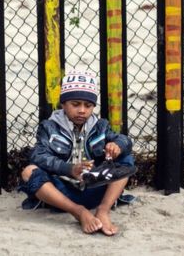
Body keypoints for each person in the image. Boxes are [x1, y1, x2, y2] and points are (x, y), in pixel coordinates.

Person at [19, 70, 135, 236]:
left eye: (88, 106)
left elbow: (125, 140)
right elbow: (39, 156)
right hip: (61, 193)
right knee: (29, 171)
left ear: (93, 107)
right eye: (75, 104)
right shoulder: (49, 127)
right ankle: (78, 212)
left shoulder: (100, 126)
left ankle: (103, 211)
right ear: (63, 104)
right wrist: (69, 169)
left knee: (126, 157)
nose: (82, 110)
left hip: (94, 188)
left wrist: (117, 145)